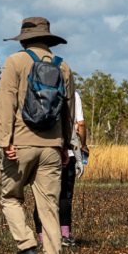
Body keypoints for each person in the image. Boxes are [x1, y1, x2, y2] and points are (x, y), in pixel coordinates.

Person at [0, 16, 75, 254]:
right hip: (53, 145)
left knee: (10, 198)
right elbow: (68, 110)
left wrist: (4, 139)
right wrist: (65, 145)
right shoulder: (64, 68)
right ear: (48, 39)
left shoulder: (16, 62)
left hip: (20, 143)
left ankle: (27, 245)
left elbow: (6, 102)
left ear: (25, 39)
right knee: (49, 207)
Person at [34, 89, 89, 246]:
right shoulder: (73, 94)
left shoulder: (36, 91)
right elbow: (80, 124)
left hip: (41, 150)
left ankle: (43, 238)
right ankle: (64, 235)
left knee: (42, 196)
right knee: (65, 195)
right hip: (68, 150)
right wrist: (83, 144)